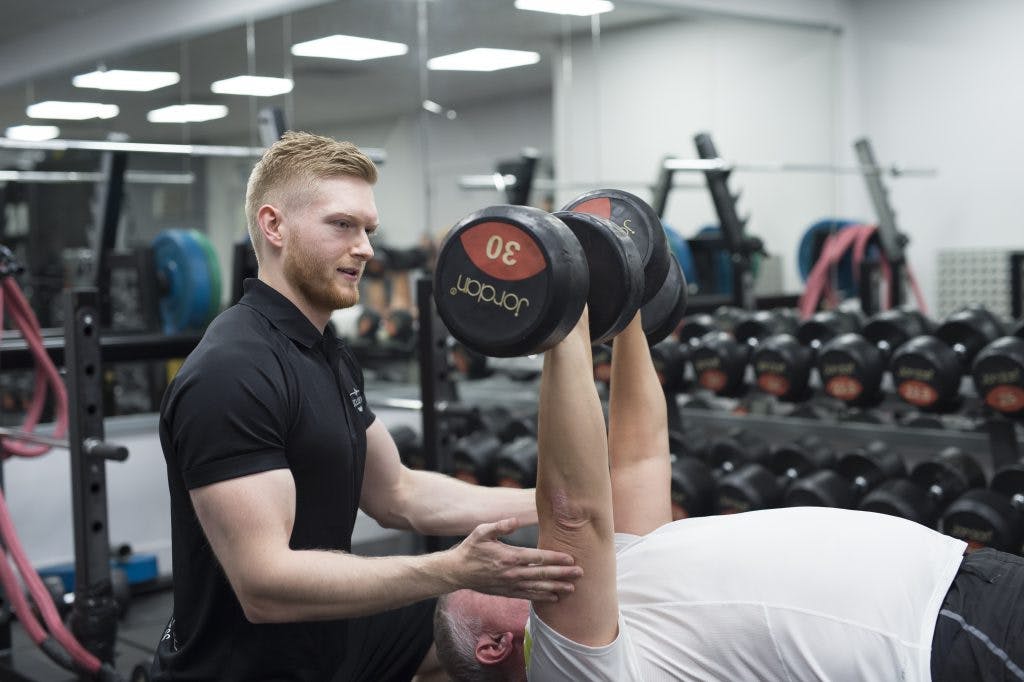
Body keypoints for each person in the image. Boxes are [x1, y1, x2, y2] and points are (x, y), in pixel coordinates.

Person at [152, 131, 582, 682]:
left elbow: (397, 492)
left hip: (329, 637)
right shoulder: (232, 372)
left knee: (489, 632)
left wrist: (553, 504)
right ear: (274, 226)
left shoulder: (324, 352)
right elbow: (264, 585)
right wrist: (452, 568)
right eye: (342, 225)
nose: (366, 249)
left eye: (368, 230)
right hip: (248, 666)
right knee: (465, 606)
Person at [434, 307, 1024, 681]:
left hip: (964, 575)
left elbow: (639, 455)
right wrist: (562, 320)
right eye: (493, 580)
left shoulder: (616, 583)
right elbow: (571, 511)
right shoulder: (565, 668)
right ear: (494, 646)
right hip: (942, 638)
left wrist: (624, 310)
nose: (513, 562)